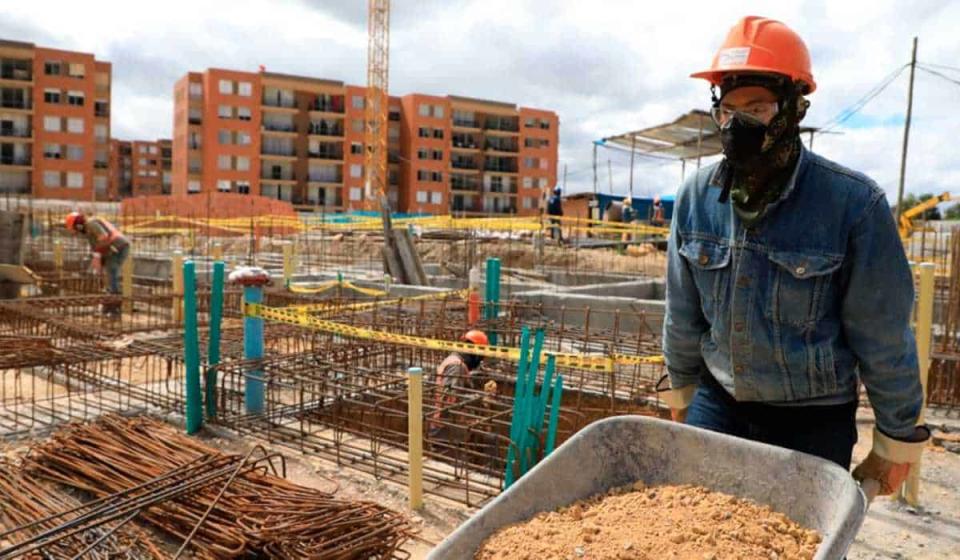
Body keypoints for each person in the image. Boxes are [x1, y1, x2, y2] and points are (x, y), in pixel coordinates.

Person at [661, 16, 928, 497]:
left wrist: (896, 440)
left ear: (794, 109)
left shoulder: (852, 205)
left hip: (811, 420)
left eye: (758, 108)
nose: (738, 123)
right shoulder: (695, 198)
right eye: (729, 110)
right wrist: (682, 393)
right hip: (718, 403)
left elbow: (883, 336)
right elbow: (682, 315)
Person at [65, 212, 130, 317]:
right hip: (110, 249)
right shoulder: (88, 230)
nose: (76, 232)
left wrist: (97, 256)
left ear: (78, 225)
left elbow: (103, 237)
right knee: (106, 277)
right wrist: (97, 260)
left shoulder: (91, 223)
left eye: (75, 229)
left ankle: (115, 309)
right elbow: (97, 246)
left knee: (111, 274)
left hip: (118, 247)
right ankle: (108, 306)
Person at [430, 330, 492, 435]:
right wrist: (479, 397)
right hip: (445, 426)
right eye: (480, 358)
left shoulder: (454, 360)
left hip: (447, 423)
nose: (479, 362)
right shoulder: (457, 367)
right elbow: (449, 399)